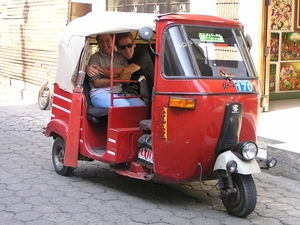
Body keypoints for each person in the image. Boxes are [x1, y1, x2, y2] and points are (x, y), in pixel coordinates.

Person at [86, 34, 145, 108]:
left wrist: (110, 74)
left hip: (120, 92)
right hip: (100, 93)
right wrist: (119, 79)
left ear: (113, 41)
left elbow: (127, 79)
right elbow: (97, 83)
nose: (105, 44)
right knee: (123, 105)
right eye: (101, 42)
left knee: (141, 105)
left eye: (108, 40)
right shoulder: (95, 58)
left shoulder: (121, 57)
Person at [115, 32, 154, 98]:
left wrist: (102, 70)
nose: (127, 50)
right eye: (123, 47)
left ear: (134, 44)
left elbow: (126, 71)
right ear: (118, 49)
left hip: (148, 96)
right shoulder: (118, 59)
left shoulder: (143, 54)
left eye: (129, 45)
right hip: (128, 94)